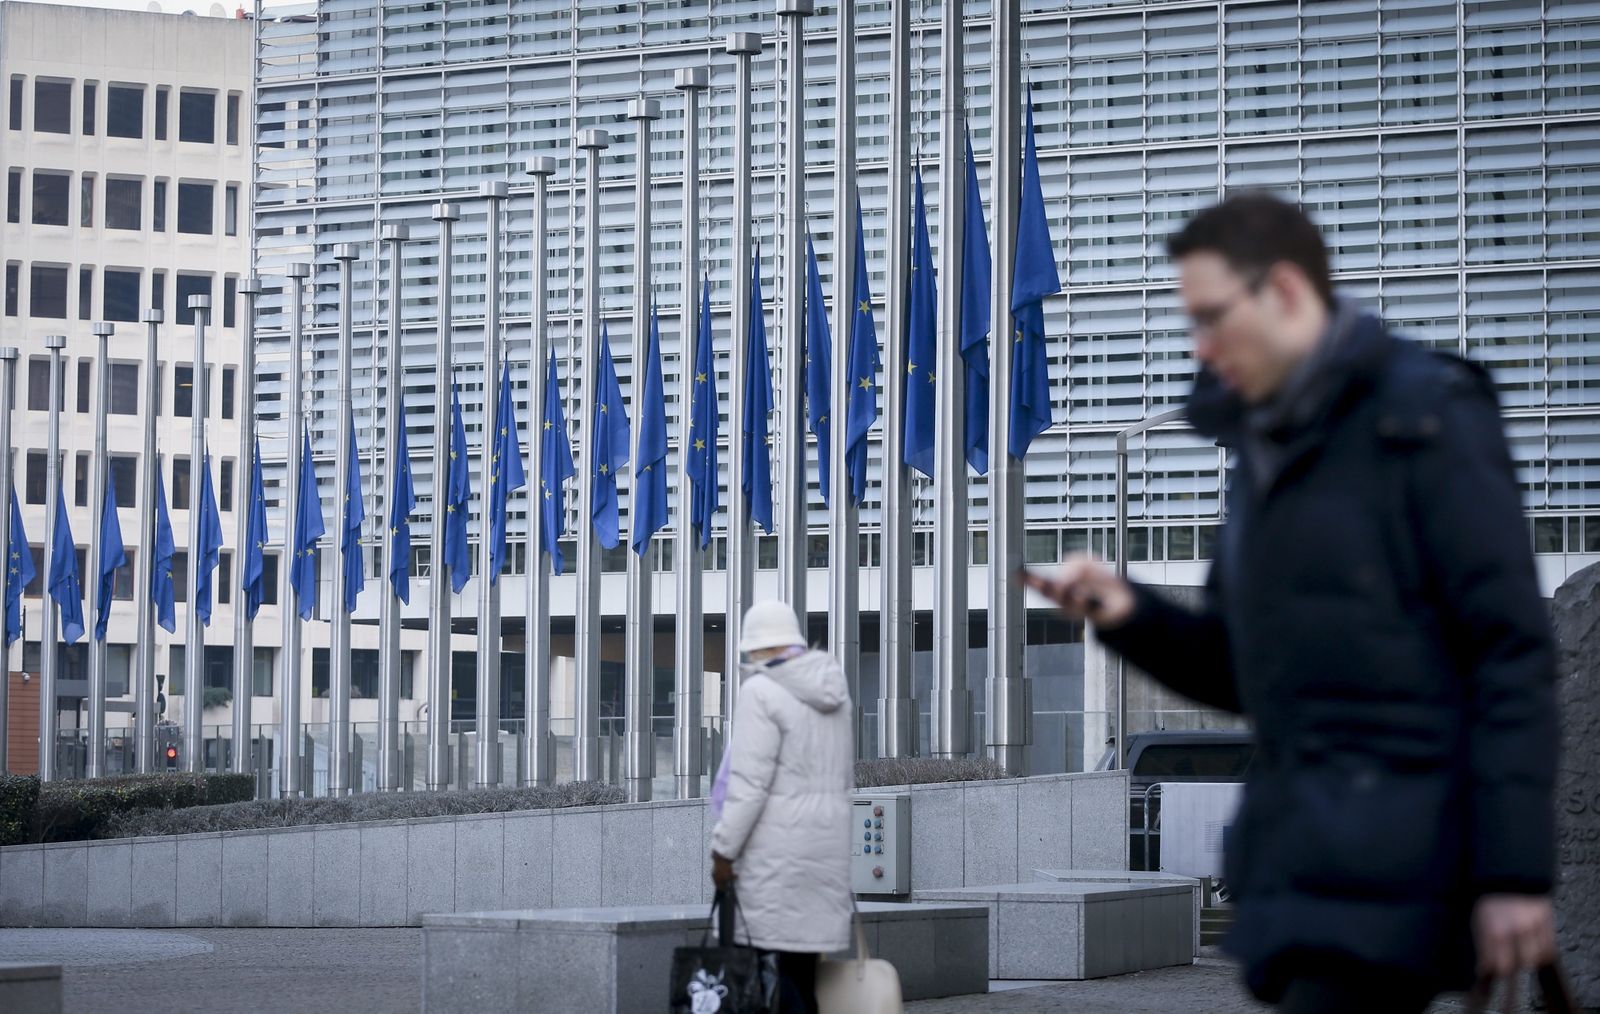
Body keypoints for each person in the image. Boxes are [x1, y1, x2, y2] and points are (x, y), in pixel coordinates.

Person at [1023, 193, 1559, 1013]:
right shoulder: (1261, 448)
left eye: (1211, 316)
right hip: (1297, 867)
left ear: (1284, 292)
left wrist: (1515, 875)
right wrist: (1127, 613)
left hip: (1397, 867)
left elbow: (1509, 656)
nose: (1199, 345)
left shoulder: (1426, 415)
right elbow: (1244, 669)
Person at [709, 601, 854, 1014]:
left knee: (771, 979)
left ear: (755, 647)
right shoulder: (832, 689)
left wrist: (723, 850)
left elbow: (749, 785)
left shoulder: (760, 691)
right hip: (824, 854)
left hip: (776, 859)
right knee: (802, 974)